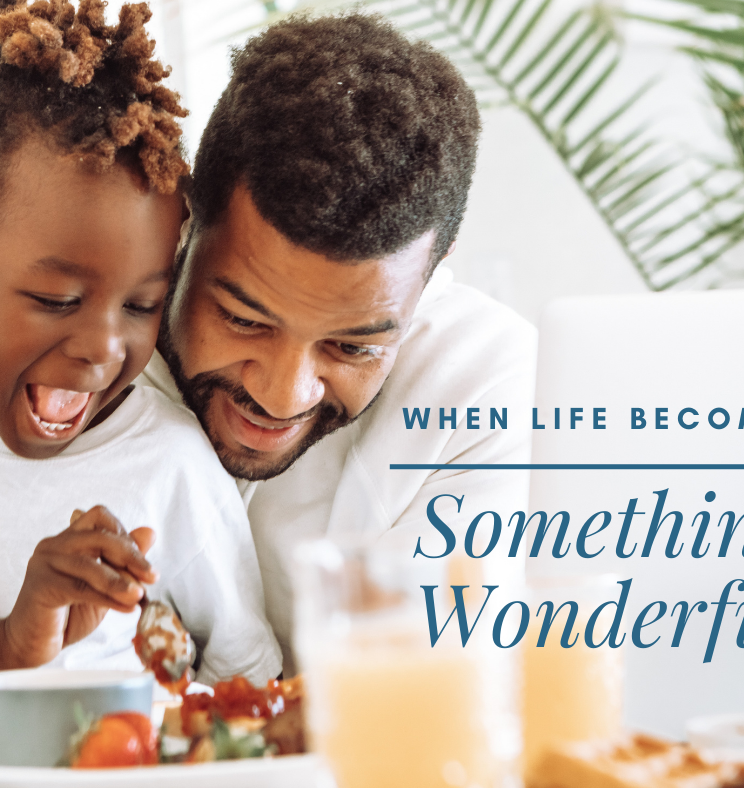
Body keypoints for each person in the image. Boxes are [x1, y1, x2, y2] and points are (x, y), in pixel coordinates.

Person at [142, 13, 537, 673]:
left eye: (351, 348)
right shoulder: (60, 337)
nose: (280, 394)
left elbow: (418, 701)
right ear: (184, 218)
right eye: (244, 319)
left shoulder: (483, 386)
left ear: (431, 274)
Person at [0, 0, 280, 731]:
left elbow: (248, 687)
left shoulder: (166, 465)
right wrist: (7, 643)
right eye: (56, 298)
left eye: (140, 306)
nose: (103, 348)